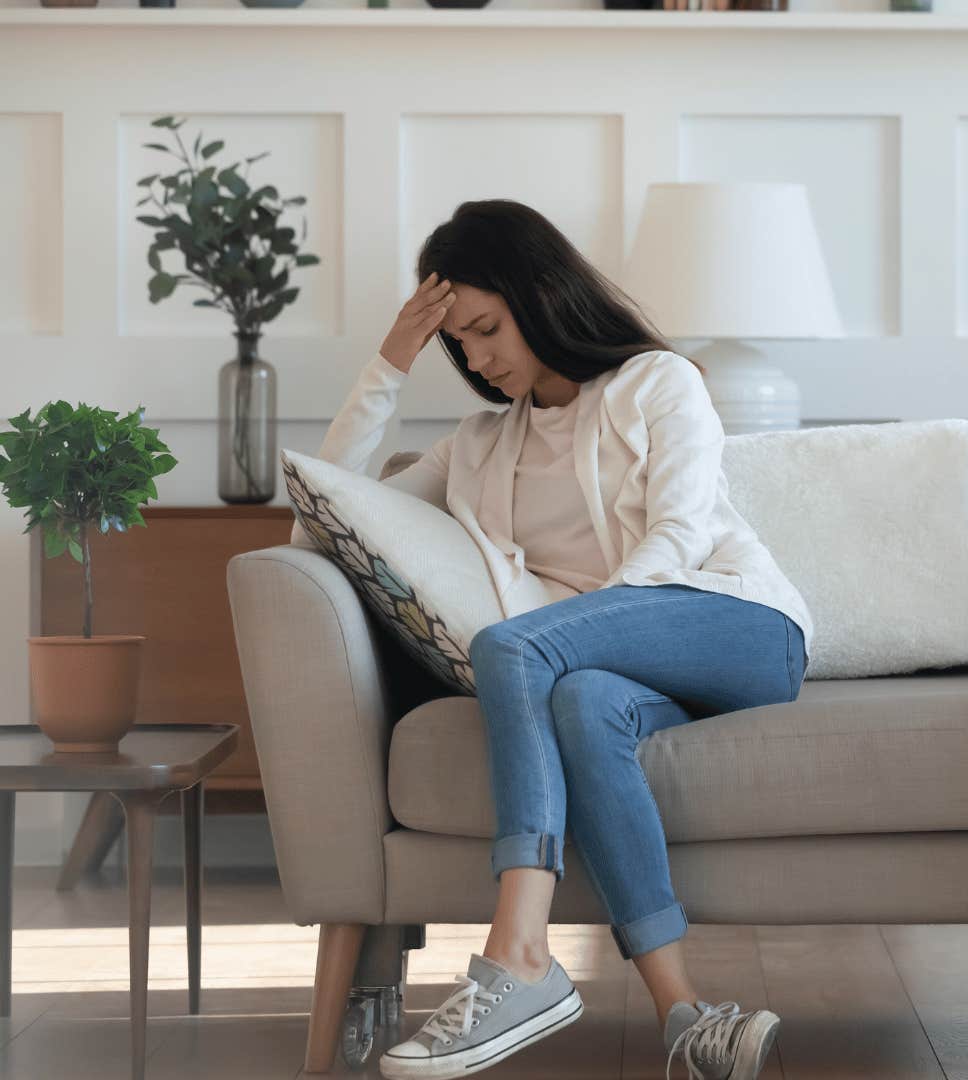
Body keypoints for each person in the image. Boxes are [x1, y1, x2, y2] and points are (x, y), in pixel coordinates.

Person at [302, 199, 808, 1080]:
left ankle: (520, 957)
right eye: (458, 344)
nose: (479, 358)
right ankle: (687, 1016)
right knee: (578, 701)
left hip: (732, 623)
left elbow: (681, 536)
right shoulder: (478, 447)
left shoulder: (658, 382)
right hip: (607, 666)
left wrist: (579, 629)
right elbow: (325, 514)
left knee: (516, 647)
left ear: (539, 295)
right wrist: (388, 362)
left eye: (488, 328)